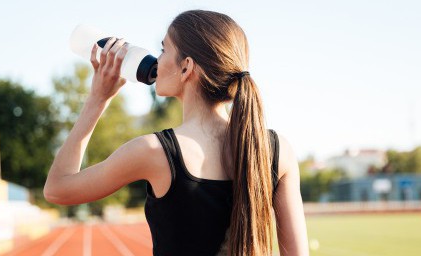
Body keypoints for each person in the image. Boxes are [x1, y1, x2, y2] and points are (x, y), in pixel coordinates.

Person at [44, 10, 309, 256]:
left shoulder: (154, 152)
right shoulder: (277, 150)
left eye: (163, 49)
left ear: (186, 67)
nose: (157, 60)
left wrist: (97, 100)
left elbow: (57, 190)